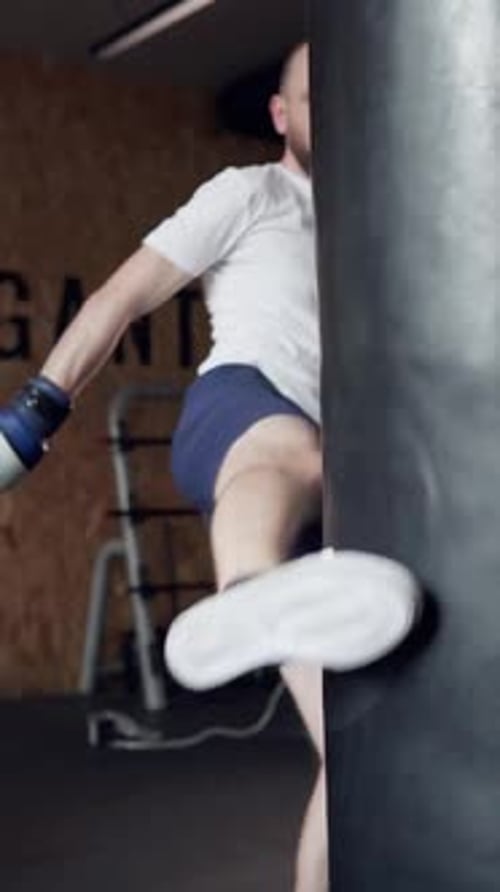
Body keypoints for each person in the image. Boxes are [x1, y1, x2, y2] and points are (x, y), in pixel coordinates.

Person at [0, 42, 420, 892]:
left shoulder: (388, 224)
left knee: (359, 758)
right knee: (288, 452)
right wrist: (36, 412)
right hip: (242, 408)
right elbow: (122, 298)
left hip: (338, 479)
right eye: (311, 99)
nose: (330, 117)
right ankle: (243, 595)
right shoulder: (248, 194)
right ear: (280, 113)